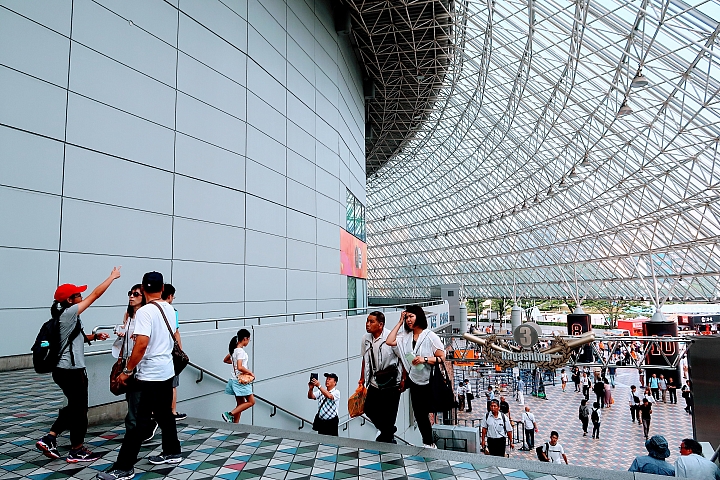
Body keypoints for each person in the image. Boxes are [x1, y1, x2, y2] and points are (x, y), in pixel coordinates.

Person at [98, 272, 182, 480]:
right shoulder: (169, 309)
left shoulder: (145, 312)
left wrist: (127, 371)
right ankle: (172, 451)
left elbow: (141, 344)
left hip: (149, 375)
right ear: (162, 289)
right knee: (164, 414)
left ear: (143, 290)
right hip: (166, 371)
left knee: (138, 421)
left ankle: (125, 467)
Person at [36, 269, 120, 463]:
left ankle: (50, 438)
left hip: (63, 371)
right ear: (70, 301)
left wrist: (94, 337)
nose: (82, 296)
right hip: (71, 372)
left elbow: (74, 339)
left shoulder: (65, 317)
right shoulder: (69, 313)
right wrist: (112, 277)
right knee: (80, 412)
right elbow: (96, 295)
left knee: (74, 407)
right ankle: (77, 450)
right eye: (78, 295)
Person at [387, 305, 445, 448]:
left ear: (419, 317)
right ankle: (427, 442)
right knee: (419, 414)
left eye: (411, 316)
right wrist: (399, 322)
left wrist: (424, 359)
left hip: (427, 380)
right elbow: (389, 341)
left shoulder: (430, 336)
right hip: (413, 379)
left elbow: (442, 357)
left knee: (424, 412)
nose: (408, 320)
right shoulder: (405, 337)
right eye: (407, 317)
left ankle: (429, 442)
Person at [111, 284, 157, 442]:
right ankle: (145, 424)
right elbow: (126, 335)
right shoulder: (128, 314)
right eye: (130, 293)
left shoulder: (146, 315)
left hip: (141, 363)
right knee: (130, 397)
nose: (131, 296)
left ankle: (133, 432)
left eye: (136, 294)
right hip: (128, 361)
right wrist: (121, 332)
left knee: (135, 399)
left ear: (143, 297)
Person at [358, 311, 401, 443]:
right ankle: (388, 432)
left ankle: (387, 439)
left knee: (389, 414)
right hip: (374, 381)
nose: (368, 324)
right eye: (367, 321)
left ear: (380, 324)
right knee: (369, 409)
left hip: (392, 382)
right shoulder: (366, 338)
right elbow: (364, 359)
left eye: (372, 321)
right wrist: (362, 379)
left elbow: (402, 358)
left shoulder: (390, 337)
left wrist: (404, 379)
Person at [162, 284, 185, 421]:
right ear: (170, 296)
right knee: (173, 384)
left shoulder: (150, 309)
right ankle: (173, 411)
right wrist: (180, 351)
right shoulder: (172, 311)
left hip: (156, 353)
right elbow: (176, 332)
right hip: (169, 352)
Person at [222, 329, 256, 423]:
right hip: (240, 381)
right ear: (245, 339)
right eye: (248, 339)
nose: (248, 341)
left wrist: (234, 363)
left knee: (240, 404)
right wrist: (250, 373)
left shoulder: (234, 350)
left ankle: (235, 425)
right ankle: (229, 414)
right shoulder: (240, 351)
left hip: (233, 380)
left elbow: (226, 360)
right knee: (251, 402)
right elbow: (240, 367)